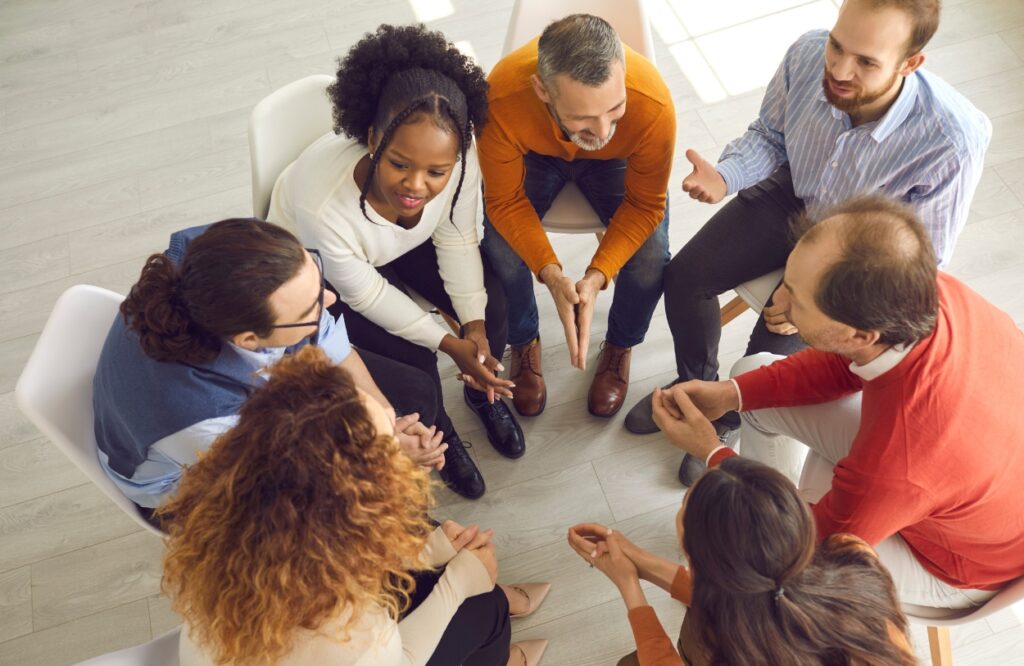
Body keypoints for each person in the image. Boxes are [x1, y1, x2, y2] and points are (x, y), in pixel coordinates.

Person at [624, 0, 992, 486]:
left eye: (866, 62)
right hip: (792, 193)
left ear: (910, 64)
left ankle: (728, 416)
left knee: (764, 358)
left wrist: (808, 292)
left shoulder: (952, 140)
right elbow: (772, 137)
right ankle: (699, 387)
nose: (839, 69)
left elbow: (916, 262)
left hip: (856, 253)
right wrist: (726, 174)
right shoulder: (806, 54)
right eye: (838, 45)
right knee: (685, 276)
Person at [652, 195, 1024, 610]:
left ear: (859, 334)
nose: (778, 303)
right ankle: (767, 497)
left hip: (960, 565)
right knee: (751, 371)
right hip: (967, 478)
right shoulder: (925, 292)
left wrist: (711, 450)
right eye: (788, 284)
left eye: (796, 300)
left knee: (774, 573)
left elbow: (811, 544)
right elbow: (844, 364)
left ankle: (763, 507)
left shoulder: (897, 463)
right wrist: (730, 395)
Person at [161, 346, 550, 666]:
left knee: (428, 554)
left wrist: (429, 552)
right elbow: (401, 659)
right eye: (385, 454)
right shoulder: (336, 628)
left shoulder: (244, 515)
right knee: (485, 608)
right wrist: (457, 584)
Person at [270, 24, 523, 500]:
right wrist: (448, 343)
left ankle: (479, 390)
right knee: (414, 373)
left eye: (436, 172)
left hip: (400, 245)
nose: (416, 186)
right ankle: (440, 434)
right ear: (372, 138)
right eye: (400, 163)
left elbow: (457, 235)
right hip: (327, 274)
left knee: (492, 312)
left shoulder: (462, 157)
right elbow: (364, 292)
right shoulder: (322, 206)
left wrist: (472, 326)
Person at [93, 219, 445, 521]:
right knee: (349, 515)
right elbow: (297, 480)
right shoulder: (204, 417)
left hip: (247, 406)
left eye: (317, 281)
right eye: (311, 307)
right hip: (204, 482)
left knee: (414, 393)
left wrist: (383, 417)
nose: (330, 301)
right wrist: (388, 456)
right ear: (249, 339)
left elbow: (327, 337)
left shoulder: (234, 254)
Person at [477, 13, 675, 418]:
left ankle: (620, 345)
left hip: (616, 163)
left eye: (615, 108)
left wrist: (598, 273)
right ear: (542, 90)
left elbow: (646, 205)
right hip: (534, 155)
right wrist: (550, 271)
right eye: (584, 117)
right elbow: (504, 201)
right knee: (499, 242)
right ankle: (524, 340)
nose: (602, 130)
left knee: (652, 253)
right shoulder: (500, 97)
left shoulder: (653, 105)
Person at [568, 456, 917, 665]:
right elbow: (747, 593)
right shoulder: (850, 554)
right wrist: (636, 559)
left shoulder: (732, 649)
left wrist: (630, 590)